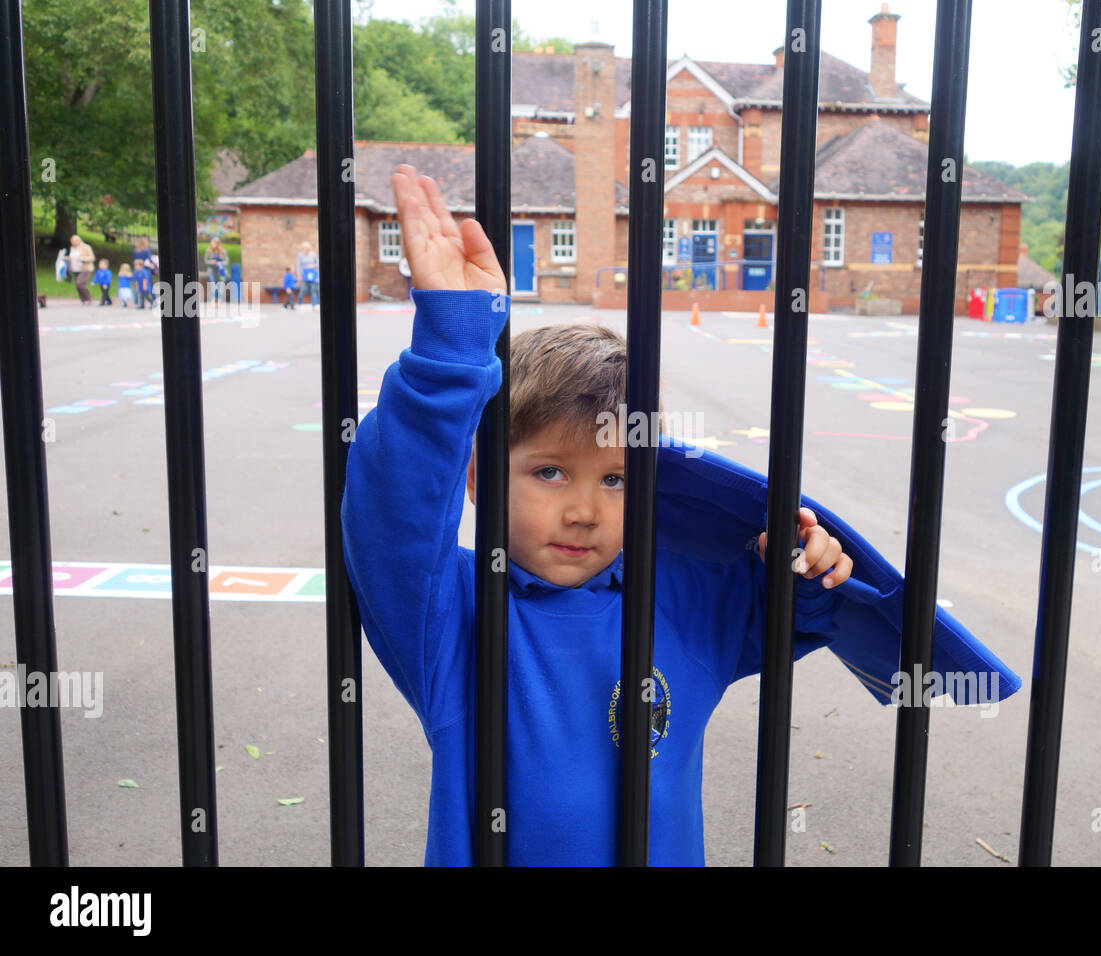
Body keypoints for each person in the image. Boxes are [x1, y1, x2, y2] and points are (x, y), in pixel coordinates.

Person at [340, 166, 864, 867]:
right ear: (476, 478)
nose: (584, 510)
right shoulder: (453, 614)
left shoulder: (676, 600)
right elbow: (389, 514)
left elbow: (791, 610)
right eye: (549, 471)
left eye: (616, 479)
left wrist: (806, 567)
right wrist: (452, 347)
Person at [68, 235, 95, 305]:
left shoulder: (86, 247)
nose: (73, 243)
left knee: (79, 283)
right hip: (75, 269)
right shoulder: (72, 248)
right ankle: (83, 300)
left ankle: (88, 298)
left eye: (74, 242)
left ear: (79, 241)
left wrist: (83, 258)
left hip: (86, 268)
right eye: (72, 242)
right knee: (77, 285)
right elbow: (72, 257)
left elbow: (92, 257)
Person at [296, 241, 319, 308]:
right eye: (303, 248)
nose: (304, 249)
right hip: (304, 275)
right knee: (302, 290)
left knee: (313, 290)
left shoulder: (313, 255)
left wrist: (313, 266)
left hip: (313, 275)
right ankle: (299, 304)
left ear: (308, 248)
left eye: (305, 248)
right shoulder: (300, 255)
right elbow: (298, 265)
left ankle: (314, 305)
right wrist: (299, 275)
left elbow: (318, 264)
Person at [204, 238, 227, 304]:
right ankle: (213, 299)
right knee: (213, 285)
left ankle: (219, 300)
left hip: (221, 271)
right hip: (212, 271)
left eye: (216, 243)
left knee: (221, 285)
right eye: (213, 242)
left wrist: (221, 263)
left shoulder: (223, 251)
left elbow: (226, 261)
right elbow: (206, 261)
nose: (214, 244)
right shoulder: (208, 251)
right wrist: (211, 262)